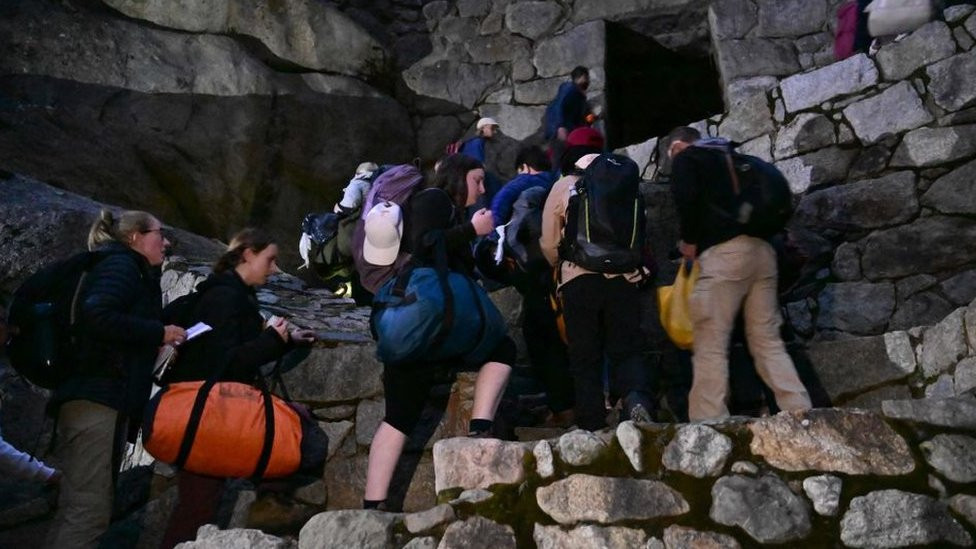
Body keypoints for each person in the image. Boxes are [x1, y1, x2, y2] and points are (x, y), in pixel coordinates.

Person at [363, 154, 513, 510]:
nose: (482, 187)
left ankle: (373, 505)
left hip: (433, 325)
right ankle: (374, 504)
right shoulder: (434, 199)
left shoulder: (454, 212)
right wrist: (471, 231)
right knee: (400, 416)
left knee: (399, 416)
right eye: (477, 180)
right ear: (459, 178)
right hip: (427, 319)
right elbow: (424, 242)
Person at [158, 228, 315, 549]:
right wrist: (274, 340)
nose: (273, 269)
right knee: (197, 508)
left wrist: (285, 341)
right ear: (247, 255)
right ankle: (269, 507)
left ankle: (268, 506)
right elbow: (228, 361)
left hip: (207, 411)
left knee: (198, 506)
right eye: (269, 260)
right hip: (208, 414)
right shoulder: (226, 298)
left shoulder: (231, 294)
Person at [46, 210, 186, 549]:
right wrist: (159, 332)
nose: (165, 242)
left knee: (76, 508)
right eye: (158, 233)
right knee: (88, 512)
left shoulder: (120, 267)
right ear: (135, 237)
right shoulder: (122, 266)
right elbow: (97, 313)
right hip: (98, 401)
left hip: (92, 399)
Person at [667, 126, 812, 421]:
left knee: (710, 342)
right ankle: (799, 411)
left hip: (724, 256)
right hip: (763, 253)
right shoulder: (732, 157)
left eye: (671, 153)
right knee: (767, 340)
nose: (672, 160)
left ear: (679, 145)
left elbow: (687, 198)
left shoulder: (688, 157)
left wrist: (690, 240)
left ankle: (708, 422)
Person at [540, 153, 654, 431]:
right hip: (624, 278)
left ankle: (591, 422)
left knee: (584, 355)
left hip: (579, 278)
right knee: (627, 350)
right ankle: (636, 402)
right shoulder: (627, 189)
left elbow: (549, 240)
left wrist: (559, 263)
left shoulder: (565, 185)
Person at [486, 146, 574, 425]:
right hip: (566, 271)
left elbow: (499, 213)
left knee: (541, 340)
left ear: (524, 167)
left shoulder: (523, 185)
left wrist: (490, 243)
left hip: (535, 273)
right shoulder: (560, 184)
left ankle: (563, 409)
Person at [545, 66, 592, 169]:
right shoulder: (569, 89)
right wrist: (560, 127)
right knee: (559, 162)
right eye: (586, 78)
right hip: (561, 135)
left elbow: (581, 118)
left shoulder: (579, 97)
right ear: (580, 77)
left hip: (570, 135)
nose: (588, 81)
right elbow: (559, 106)